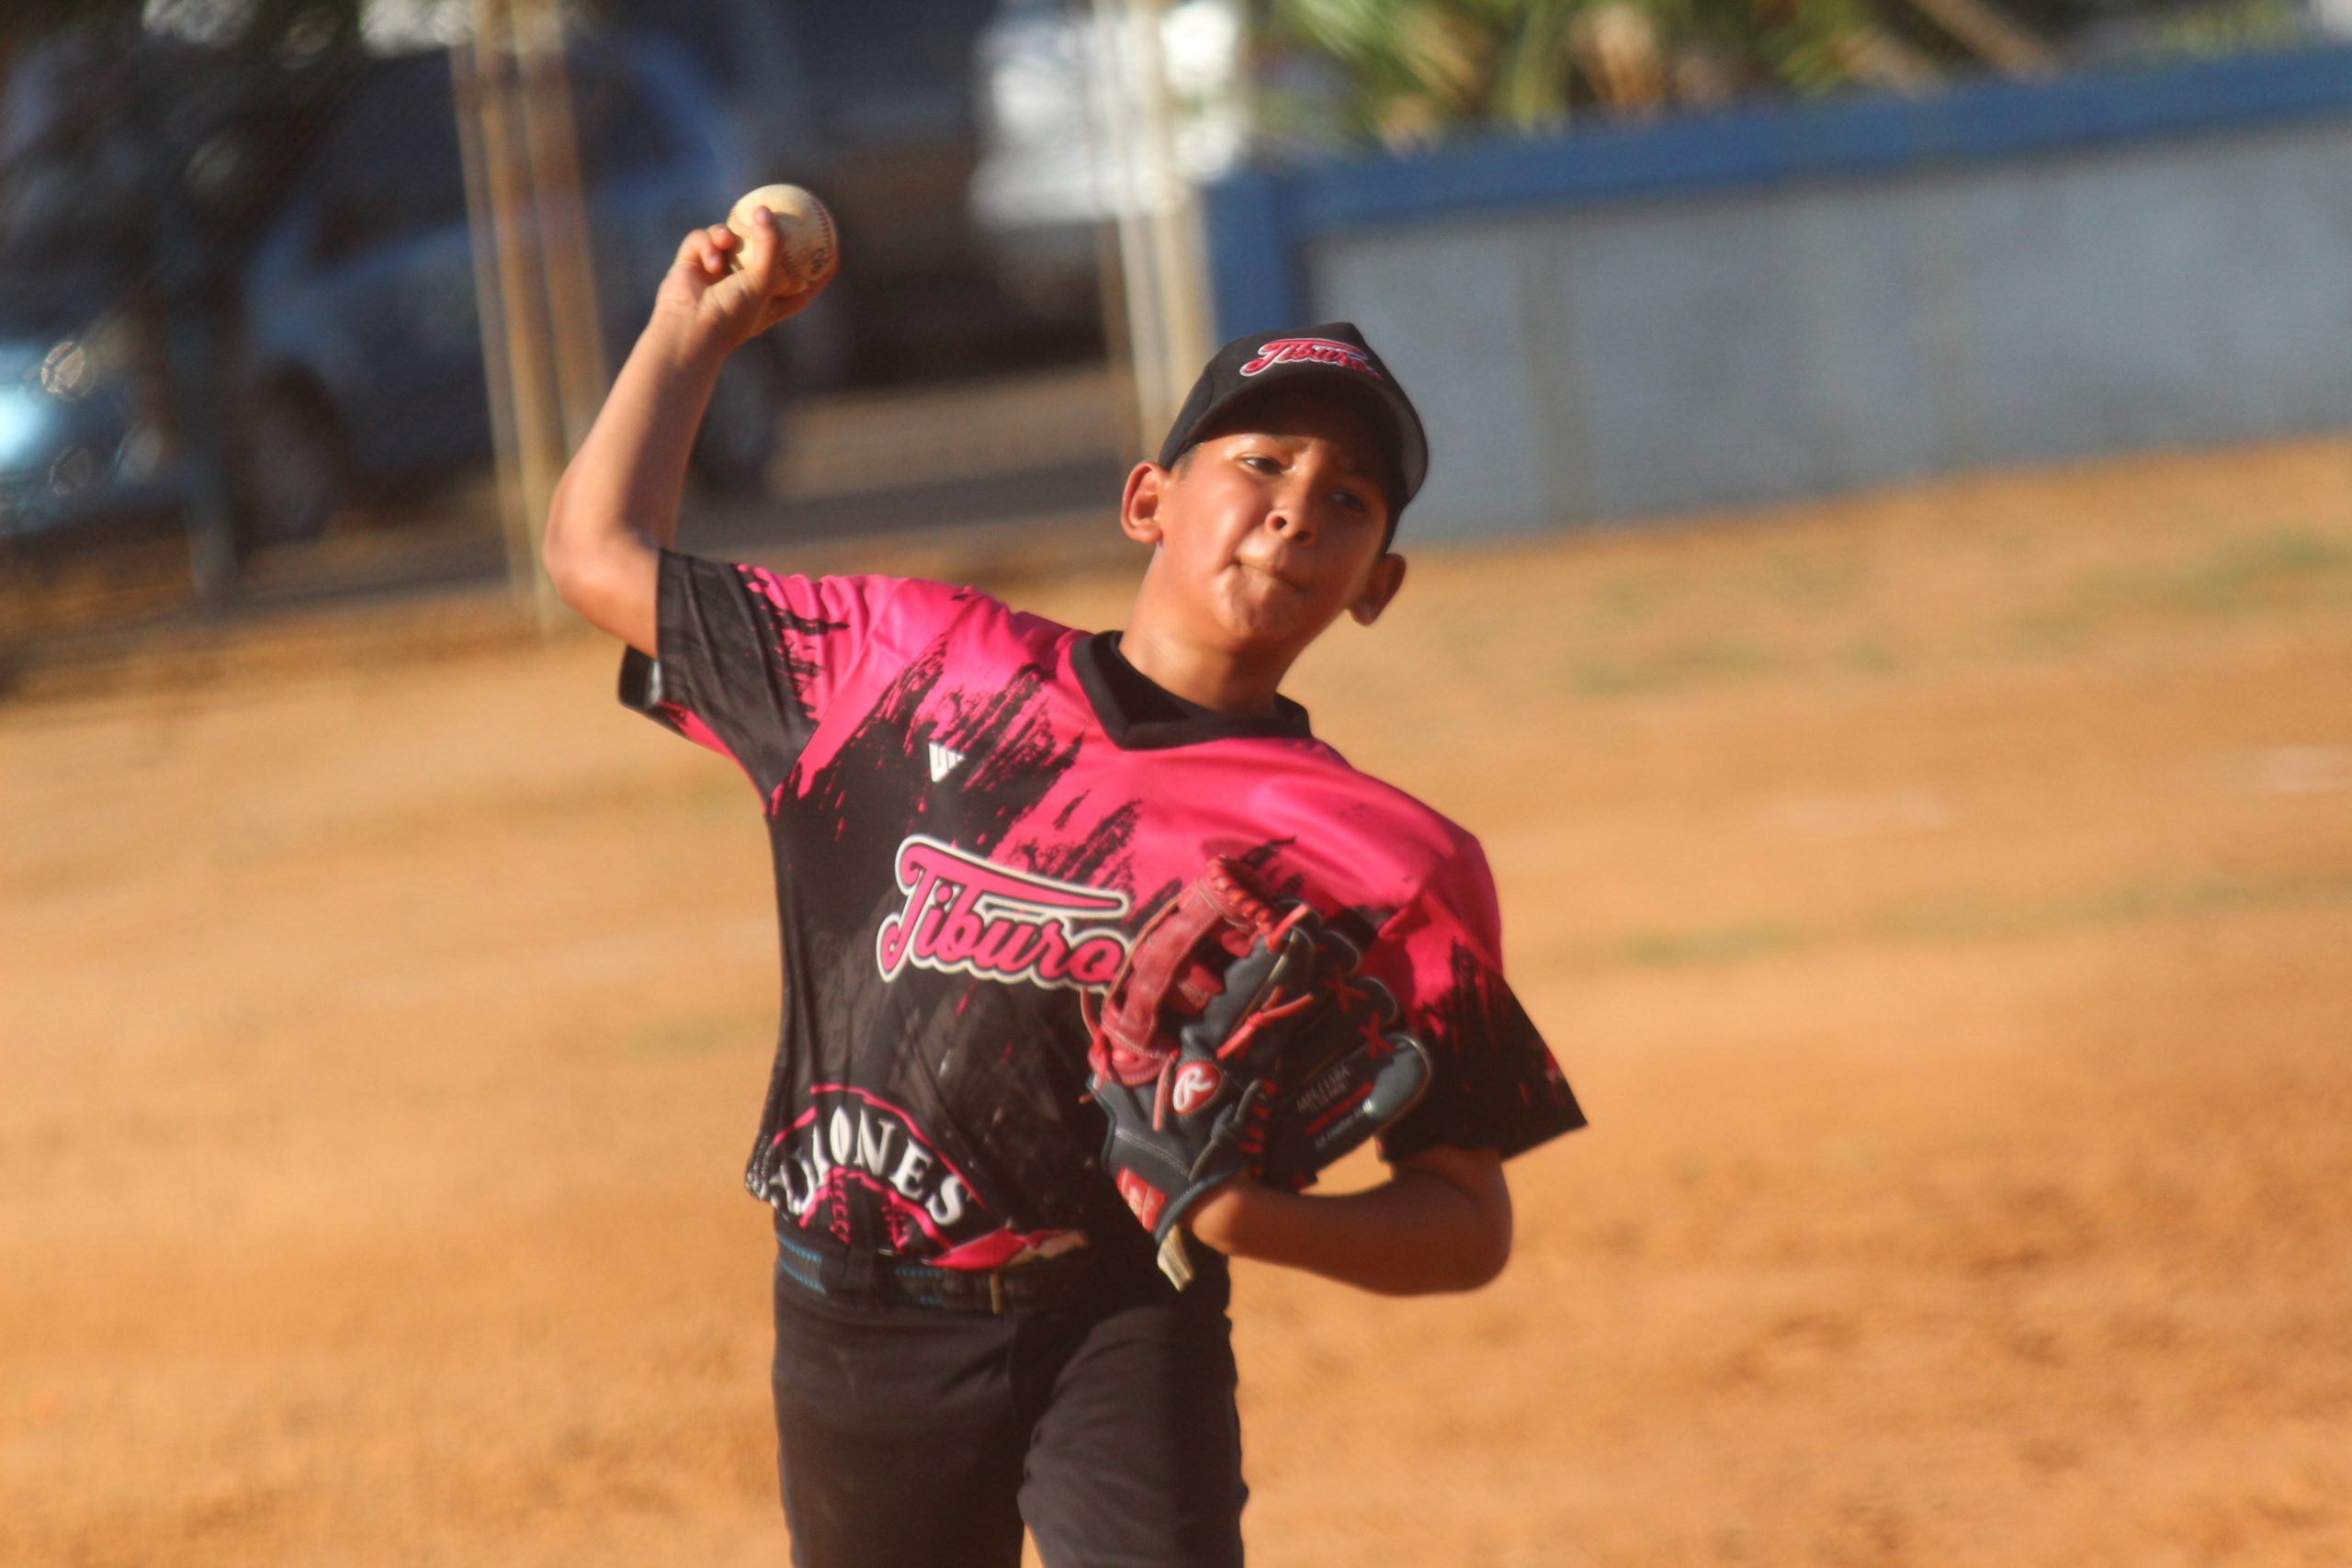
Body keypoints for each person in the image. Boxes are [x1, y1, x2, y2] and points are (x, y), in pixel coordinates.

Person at [543, 208, 1586, 1568]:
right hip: (858, 1315)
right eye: (1261, 461)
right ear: (1148, 500)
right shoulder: (906, 666)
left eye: (1348, 498)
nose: (1296, 507)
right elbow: (598, 556)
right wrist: (694, 331)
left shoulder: (1391, 864)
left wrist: (1242, 1217)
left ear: (1375, 585)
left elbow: (1466, 1223)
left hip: (1125, 1320)